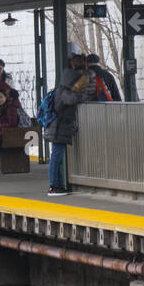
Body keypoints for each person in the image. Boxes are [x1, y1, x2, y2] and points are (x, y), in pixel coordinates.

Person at [43, 59, 91, 196]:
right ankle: (53, 186)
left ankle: (57, 185)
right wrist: (82, 95)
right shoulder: (63, 92)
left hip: (59, 128)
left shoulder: (61, 89)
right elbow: (71, 100)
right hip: (58, 128)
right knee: (56, 157)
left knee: (57, 157)